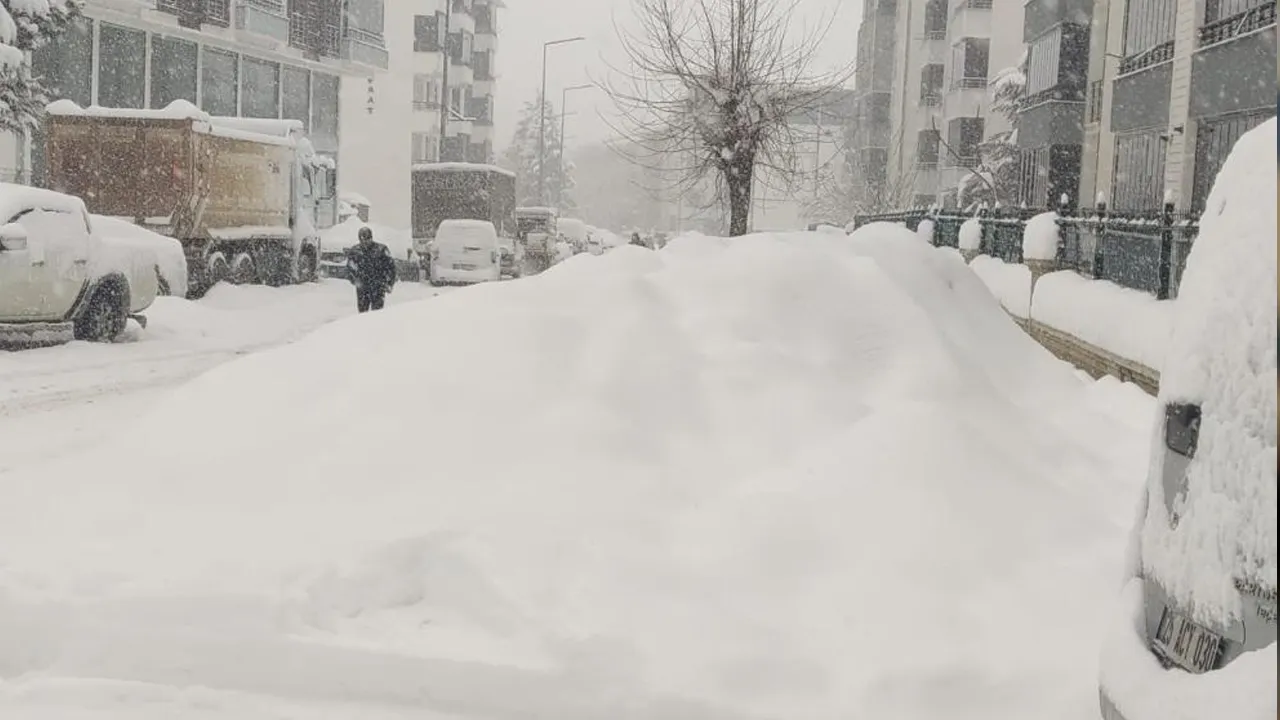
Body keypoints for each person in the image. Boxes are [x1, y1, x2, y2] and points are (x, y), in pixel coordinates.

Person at [346, 226, 397, 312]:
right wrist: (354, 280)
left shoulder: (381, 250)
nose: (364, 242)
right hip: (362, 288)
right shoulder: (355, 251)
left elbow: (391, 267)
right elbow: (350, 268)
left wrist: (389, 283)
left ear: (371, 238)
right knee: (363, 314)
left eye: (367, 239)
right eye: (362, 240)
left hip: (378, 287)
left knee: (377, 313)